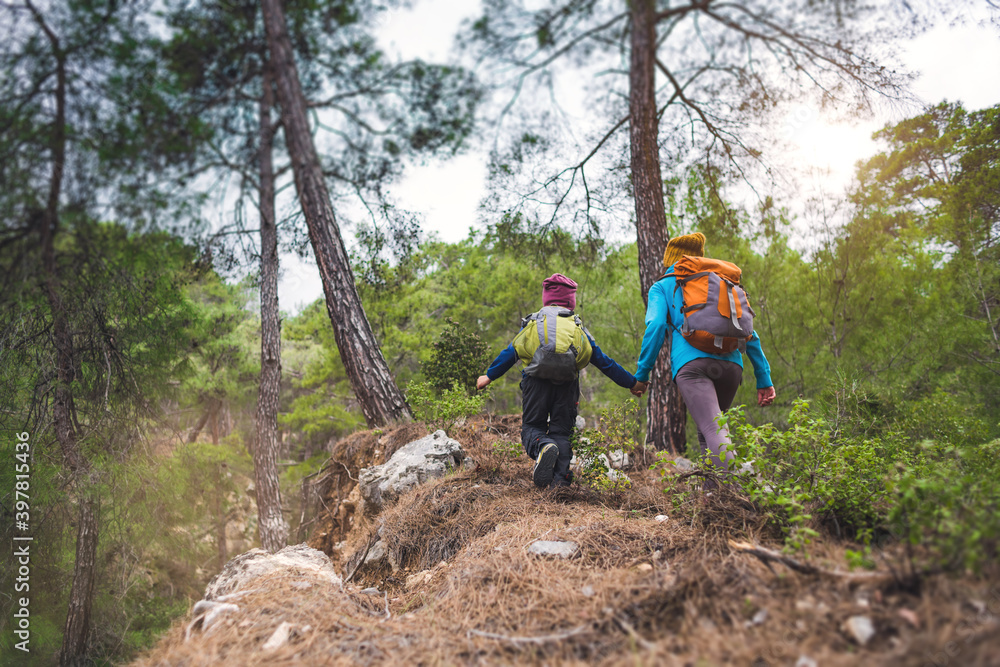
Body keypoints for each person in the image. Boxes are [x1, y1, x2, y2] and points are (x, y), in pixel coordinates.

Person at [631, 233, 776, 487]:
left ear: (669, 259)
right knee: (709, 431)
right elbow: (749, 331)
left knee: (712, 430)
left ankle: (732, 498)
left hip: (693, 367)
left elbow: (654, 326)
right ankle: (711, 497)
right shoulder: (720, 283)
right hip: (732, 367)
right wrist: (764, 379)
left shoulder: (663, 285)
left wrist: (642, 375)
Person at [476, 273, 640, 489]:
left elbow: (511, 352)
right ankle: (560, 481)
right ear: (570, 301)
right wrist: (632, 383)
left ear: (546, 298)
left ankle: (543, 446)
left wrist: (489, 376)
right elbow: (604, 362)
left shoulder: (534, 322)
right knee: (562, 431)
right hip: (567, 384)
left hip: (535, 383)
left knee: (532, 426)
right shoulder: (576, 327)